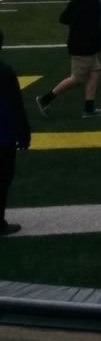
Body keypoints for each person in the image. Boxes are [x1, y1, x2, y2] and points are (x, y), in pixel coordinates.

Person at [36, 0, 101, 119]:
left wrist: (77, 22)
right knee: (76, 78)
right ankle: (45, 99)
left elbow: (63, 19)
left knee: (95, 72)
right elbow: (94, 27)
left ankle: (89, 108)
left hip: (77, 43)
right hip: (84, 46)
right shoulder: (94, 4)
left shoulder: (75, 2)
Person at [0, 30, 29, 235]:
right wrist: (23, 135)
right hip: (3, 137)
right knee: (2, 178)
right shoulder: (5, 71)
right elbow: (16, 106)